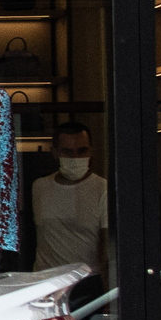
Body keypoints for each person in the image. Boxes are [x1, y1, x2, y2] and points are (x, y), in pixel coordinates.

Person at [32, 121, 109, 300]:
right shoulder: (39, 188)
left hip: (86, 285)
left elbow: (106, 251)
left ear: (91, 151)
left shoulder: (102, 189)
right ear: (55, 152)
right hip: (46, 284)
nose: (75, 158)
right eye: (67, 151)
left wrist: (107, 299)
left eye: (82, 151)